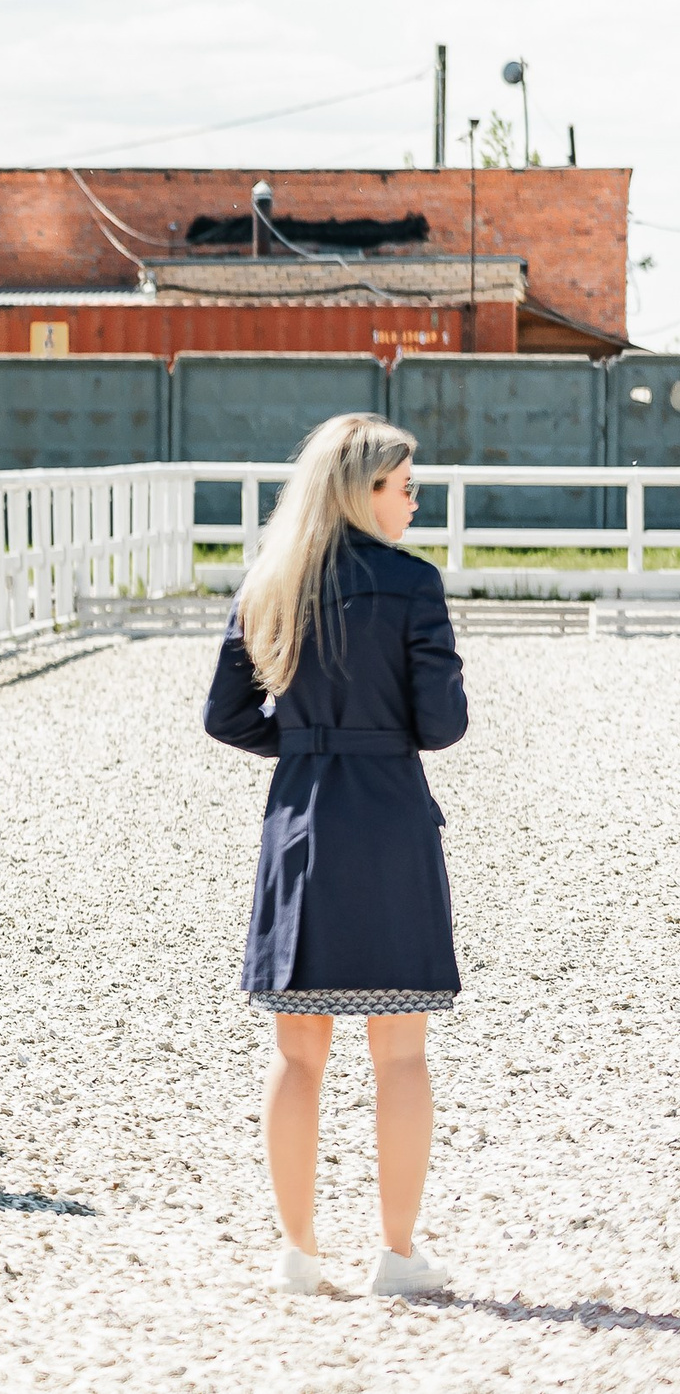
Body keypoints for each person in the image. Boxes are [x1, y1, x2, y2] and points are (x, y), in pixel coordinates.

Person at [204, 413, 469, 1298]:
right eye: (404, 485)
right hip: (388, 822)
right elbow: (443, 724)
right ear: (365, 491)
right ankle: (397, 1254)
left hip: (304, 822)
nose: (413, 500)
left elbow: (227, 717)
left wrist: (309, 741)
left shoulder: (272, 581)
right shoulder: (412, 586)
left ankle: (299, 1253)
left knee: (298, 1053)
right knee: (400, 1054)